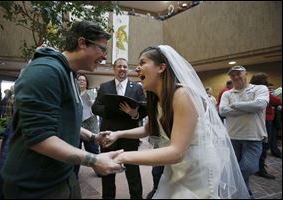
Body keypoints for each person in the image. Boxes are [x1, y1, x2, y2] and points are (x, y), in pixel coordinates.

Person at [102, 45, 250, 199]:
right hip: (176, 168)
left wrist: (121, 157)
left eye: (142, 63)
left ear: (161, 68)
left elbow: (177, 152)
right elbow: (147, 129)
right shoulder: (157, 98)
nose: (137, 69)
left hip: (197, 171)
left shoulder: (182, 95)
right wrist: (117, 134)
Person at [1, 20, 123, 199]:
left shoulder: (70, 74)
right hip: (34, 185)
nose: (105, 57)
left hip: (63, 175)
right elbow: (39, 138)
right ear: (82, 43)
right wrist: (93, 159)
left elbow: (63, 121)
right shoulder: (46, 71)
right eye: (102, 49)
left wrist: (92, 137)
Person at [92, 58, 147, 199]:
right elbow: (95, 107)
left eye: (125, 66)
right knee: (107, 172)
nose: (122, 69)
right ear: (113, 69)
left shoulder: (137, 88)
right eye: (119, 66)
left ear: (127, 69)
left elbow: (144, 110)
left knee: (133, 171)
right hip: (108, 135)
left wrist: (134, 114)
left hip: (130, 136)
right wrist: (111, 111)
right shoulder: (104, 87)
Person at [219, 66, 269, 198]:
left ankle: (231, 189)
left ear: (245, 74)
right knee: (242, 174)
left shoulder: (260, 89)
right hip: (233, 138)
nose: (235, 77)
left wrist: (235, 105)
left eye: (238, 74)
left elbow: (260, 105)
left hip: (254, 137)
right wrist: (249, 107)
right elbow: (223, 111)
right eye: (232, 75)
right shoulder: (227, 94)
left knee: (247, 168)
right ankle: (247, 196)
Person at [249, 73, 281, 179]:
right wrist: (272, 95)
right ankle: (260, 168)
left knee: (261, 144)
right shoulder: (262, 89)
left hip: (261, 119)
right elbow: (276, 101)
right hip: (265, 119)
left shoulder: (252, 89)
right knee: (264, 144)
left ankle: (258, 165)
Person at [74, 73, 100, 178]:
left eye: (84, 80)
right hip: (76, 127)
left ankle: (99, 170)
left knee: (93, 150)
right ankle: (74, 173)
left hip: (90, 126)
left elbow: (96, 107)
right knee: (75, 151)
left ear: (86, 83)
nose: (81, 81)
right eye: (79, 80)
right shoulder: (73, 93)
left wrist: (93, 102)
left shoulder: (91, 93)